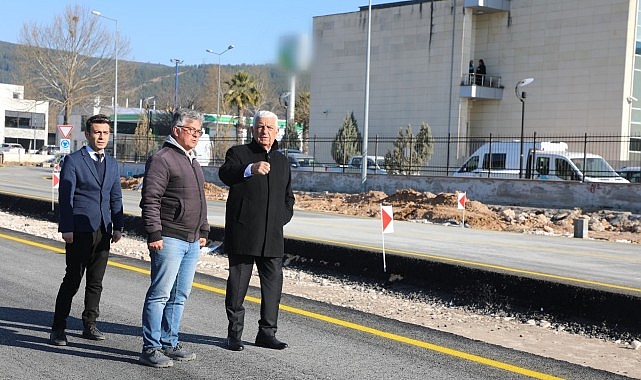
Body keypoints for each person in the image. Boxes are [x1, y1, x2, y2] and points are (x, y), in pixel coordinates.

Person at [139, 108, 210, 368]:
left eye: (199, 131)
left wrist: (203, 229)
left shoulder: (192, 160)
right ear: (177, 130)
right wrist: (154, 232)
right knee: (160, 294)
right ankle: (151, 347)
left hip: (191, 240)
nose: (196, 135)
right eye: (192, 130)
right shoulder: (162, 158)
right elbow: (150, 199)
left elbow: (200, 200)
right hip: (169, 238)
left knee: (180, 295)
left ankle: (170, 342)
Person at [219, 110, 295, 352]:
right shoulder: (238, 154)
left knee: (273, 288)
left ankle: (267, 333)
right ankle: (234, 334)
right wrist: (250, 168)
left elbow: (288, 198)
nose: (265, 131)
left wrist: (279, 219)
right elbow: (225, 174)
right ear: (253, 129)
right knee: (237, 286)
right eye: (260, 127)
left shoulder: (282, 161)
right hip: (243, 233)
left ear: (276, 131)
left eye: (269, 128)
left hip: (272, 237)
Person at [50, 114, 124, 346]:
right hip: (79, 230)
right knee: (72, 280)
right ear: (88, 134)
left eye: (106, 133)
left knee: (96, 282)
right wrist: (67, 228)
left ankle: (89, 324)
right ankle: (58, 328)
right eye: (97, 132)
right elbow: (66, 197)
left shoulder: (112, 163)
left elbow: (115, 196)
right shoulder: (73, 161)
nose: (102, 137)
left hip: (103, 229)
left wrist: (118, 225)